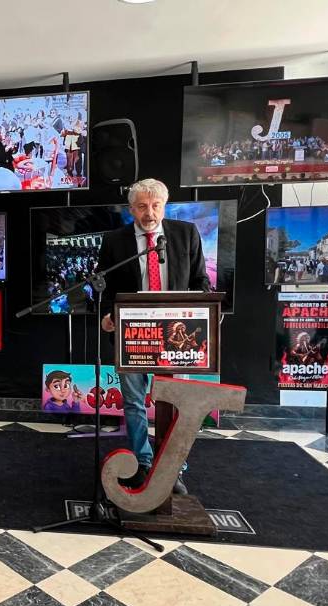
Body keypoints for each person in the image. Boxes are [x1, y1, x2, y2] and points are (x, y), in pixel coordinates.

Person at [98, 178, 211, 495]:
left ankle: (173, 468)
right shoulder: (115, 241)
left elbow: (201, 282)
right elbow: (105, 286)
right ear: (131, 209)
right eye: (142, 206)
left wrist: (199, 315)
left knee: (175, 403)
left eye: (155, 205)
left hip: (178, 336)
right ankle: (144, 463)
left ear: (165, 205)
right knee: (134, 402)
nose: (149, 213)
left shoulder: (186, 234)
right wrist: (106, 316)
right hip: (131, 335)